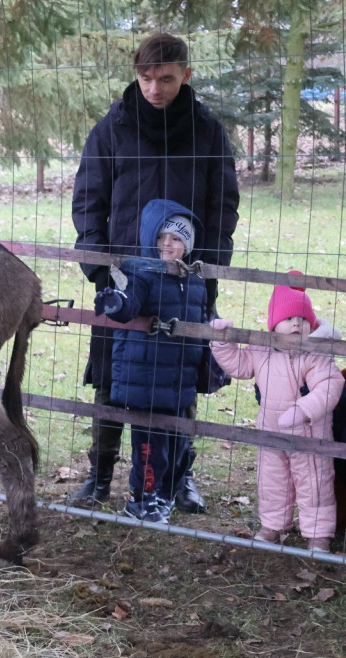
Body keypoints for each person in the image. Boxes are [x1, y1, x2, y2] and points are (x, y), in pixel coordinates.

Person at [70, 32, 240, 512]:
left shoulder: (208, 131)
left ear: (185, 74)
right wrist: (97, 266)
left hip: (186, 282)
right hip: (123, 278)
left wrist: (206, 270)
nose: (153, 88)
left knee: (180, 378)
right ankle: (99, 475)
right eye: (145, 77)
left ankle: (178, 478)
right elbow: (89, 201)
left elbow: (222, 205)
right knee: (111, 374)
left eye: (165, 78)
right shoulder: (112, 129)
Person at [93, 199, 206, 522]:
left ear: (188, 244)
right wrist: (115, 302)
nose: (167, 244)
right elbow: (130, 302)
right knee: (149, 449)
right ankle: (140, 500)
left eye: (176, 238)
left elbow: (203, 320)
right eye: (161, 238)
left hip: (179, 381)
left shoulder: (194, 281)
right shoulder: (142, 273)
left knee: (179, 448)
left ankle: (164, 497)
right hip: (146, 379)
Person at [209, 284, 344, 552]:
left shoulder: (314, 355)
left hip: (310, 437)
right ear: (273, 324)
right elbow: (239, 364)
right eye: (289, 318)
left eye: (303, 319)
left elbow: (330, 385)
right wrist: (223, 341)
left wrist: (304, 410)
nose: (296, 324)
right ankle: (272, 526)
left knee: (314, 484)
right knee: (272, 482)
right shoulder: (261, 352)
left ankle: (318, 536)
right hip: (270, 433)